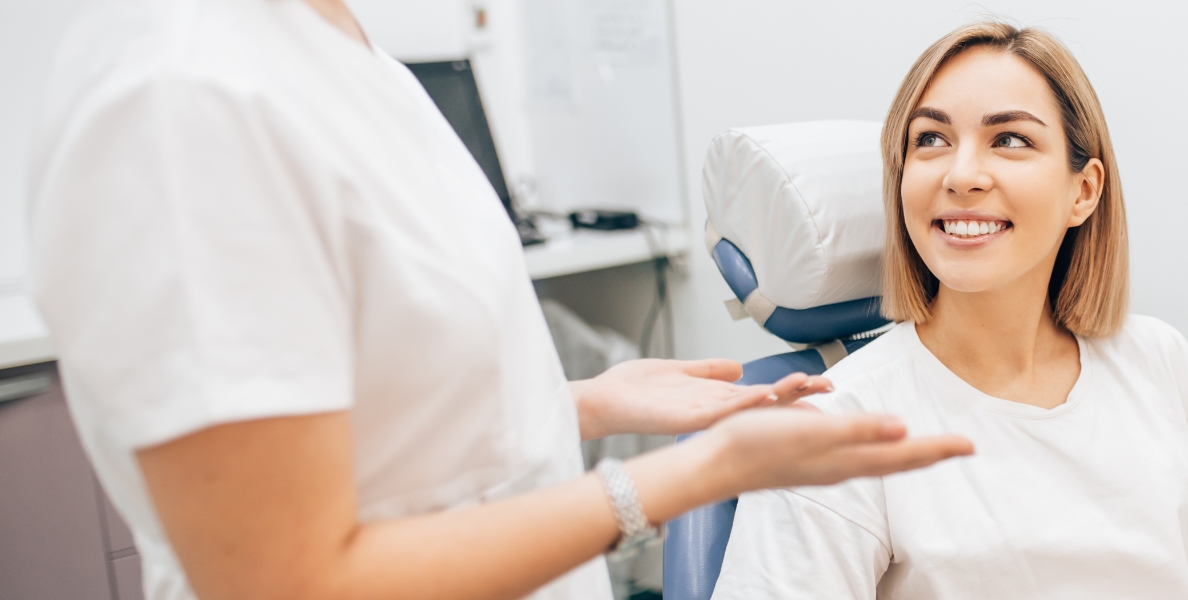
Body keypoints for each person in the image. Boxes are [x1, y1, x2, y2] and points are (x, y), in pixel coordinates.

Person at [25, 1, 972, 599]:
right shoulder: (188, 92)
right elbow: (286, 579)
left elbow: (375, 423)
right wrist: (688, 476)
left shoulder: (343, 49)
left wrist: (582, 402)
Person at [712, 21, 1188, 600]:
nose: (962, 173)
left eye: (1010, 139)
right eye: (931, 139)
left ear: (1083, 191)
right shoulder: (832, 429)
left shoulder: (1157, 361)